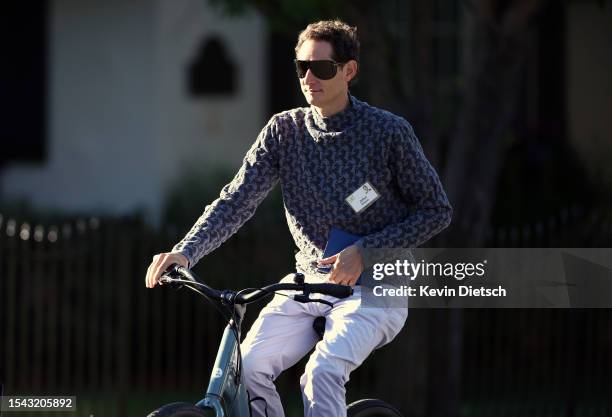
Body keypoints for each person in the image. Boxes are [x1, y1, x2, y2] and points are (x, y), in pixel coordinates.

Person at [145, 19, 452, 417]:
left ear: (349, 71)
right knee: (248, 370)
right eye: (301, 67)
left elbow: (436, 210)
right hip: (307, 284)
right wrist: (184, 253)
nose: (309, 77)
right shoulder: (282, 132)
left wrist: (366, 251)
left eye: (322, 68)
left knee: (321, 372)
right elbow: (236, 200)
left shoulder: (388, 133)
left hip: (377, 286)